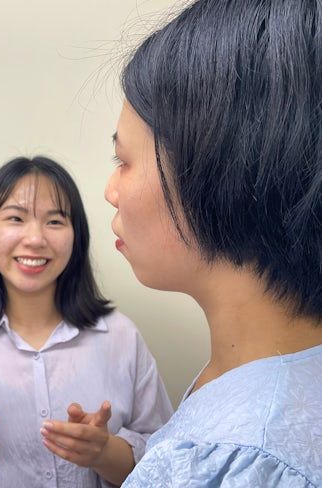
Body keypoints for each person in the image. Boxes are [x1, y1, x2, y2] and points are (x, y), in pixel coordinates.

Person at [104, 1, 322, 486]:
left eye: (123, 161)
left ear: (214, 170)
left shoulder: (233, 461)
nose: (110, 191)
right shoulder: (267, 373)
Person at [0, 156, 173, 487]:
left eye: (55, 221)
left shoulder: (121, 337)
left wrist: (104, 452)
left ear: (76, 237)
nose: (35, 239)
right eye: (15, 218)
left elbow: (167, 460)